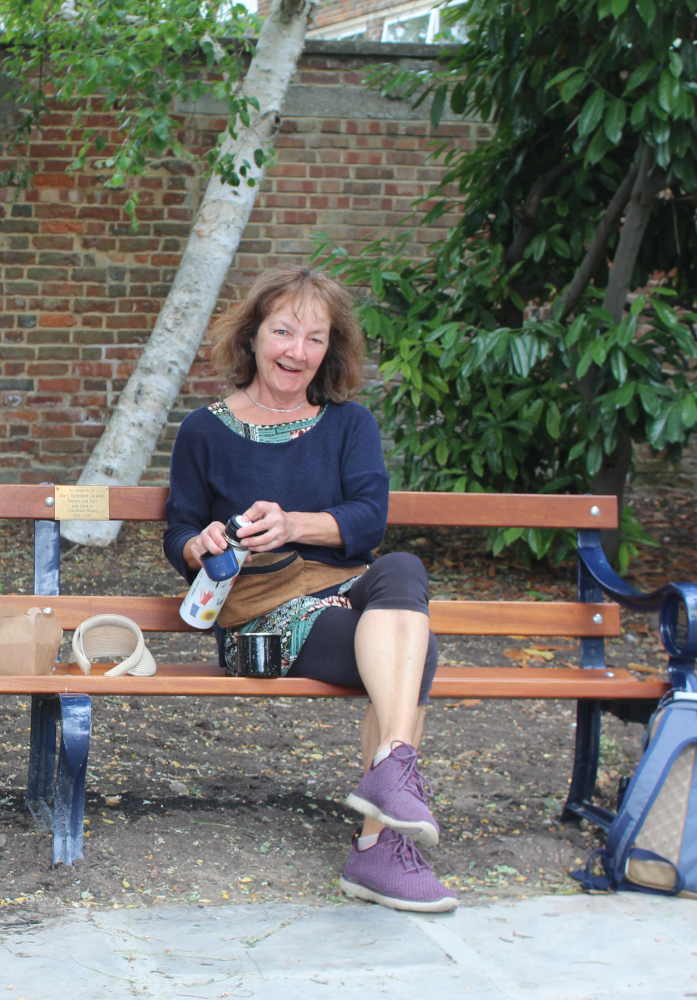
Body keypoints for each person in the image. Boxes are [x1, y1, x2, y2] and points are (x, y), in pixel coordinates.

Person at [163, 265, 456, 913]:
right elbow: (178, 530)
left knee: (403, 568)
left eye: (315, 338)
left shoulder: (350, 425)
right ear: (253, 336)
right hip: (259, 615)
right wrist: (198, 544)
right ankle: (381, 845)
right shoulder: (203, 431)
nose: (297, 350)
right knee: (420, 653)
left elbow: (368, 522)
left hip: (345, 587)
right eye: (283, 332)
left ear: (330, 350)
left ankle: (389, 782)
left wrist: (293, 524)